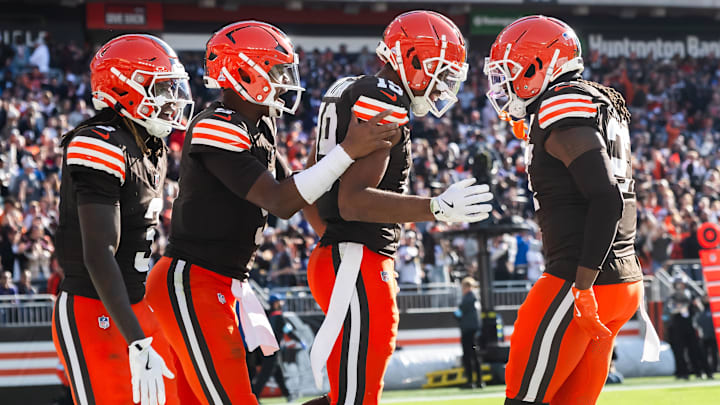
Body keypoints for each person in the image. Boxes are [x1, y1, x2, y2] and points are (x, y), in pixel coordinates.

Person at [144, 21, 399, 405]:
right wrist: (347, 150)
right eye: (277, 70)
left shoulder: (259, 123)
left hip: (219, 281)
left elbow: (297, 191)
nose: (284, 80)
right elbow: (280, 201)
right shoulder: (218, 124)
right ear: (245, 71)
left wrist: (332, 239)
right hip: (192, 280)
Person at [304, 11, 494, 405]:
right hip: (356, 260)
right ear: (414, 60)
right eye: (441, 73)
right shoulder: (383, 97)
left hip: (343, 257)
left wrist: (331, 240)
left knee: (351, 394)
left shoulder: (350, 88)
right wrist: (437, 207)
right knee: (357, 397)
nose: (444, 86)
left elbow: (313, 185)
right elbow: (353, 200)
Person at [483, 16, 658, 404]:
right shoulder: (596, 101)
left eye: (511, 71)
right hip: (622, 280)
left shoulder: (562, 106)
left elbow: (606, 197)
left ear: (538, 65)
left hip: (579, 279)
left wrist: (581, 286)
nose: (506, 84)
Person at [51, 34, 194, 405]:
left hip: (138, 303)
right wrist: (136, 340)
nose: (171, 99)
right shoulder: (99, 142)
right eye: (161, 88)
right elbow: (99, 252)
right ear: (123, 86)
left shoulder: (150, 144)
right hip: (95, 309)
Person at [252, 293, 300, 401]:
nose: (281, 304)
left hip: (268, 348)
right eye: (279, 302)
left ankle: (288, 395)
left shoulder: (269, 316)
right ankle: (254, 397)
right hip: (271, 349)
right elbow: (289, 332)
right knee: (265, 374)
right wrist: (300, 341)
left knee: (278, 374)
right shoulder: (278, 316)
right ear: (275, 304)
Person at [455, 277, 483, 389]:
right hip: (474, 330)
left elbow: (459, 313)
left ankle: (470, 381)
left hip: (467, 331)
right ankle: (479, 380)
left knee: (468, 356)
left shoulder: (468, 298)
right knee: (475, 356)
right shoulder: (475, 298)